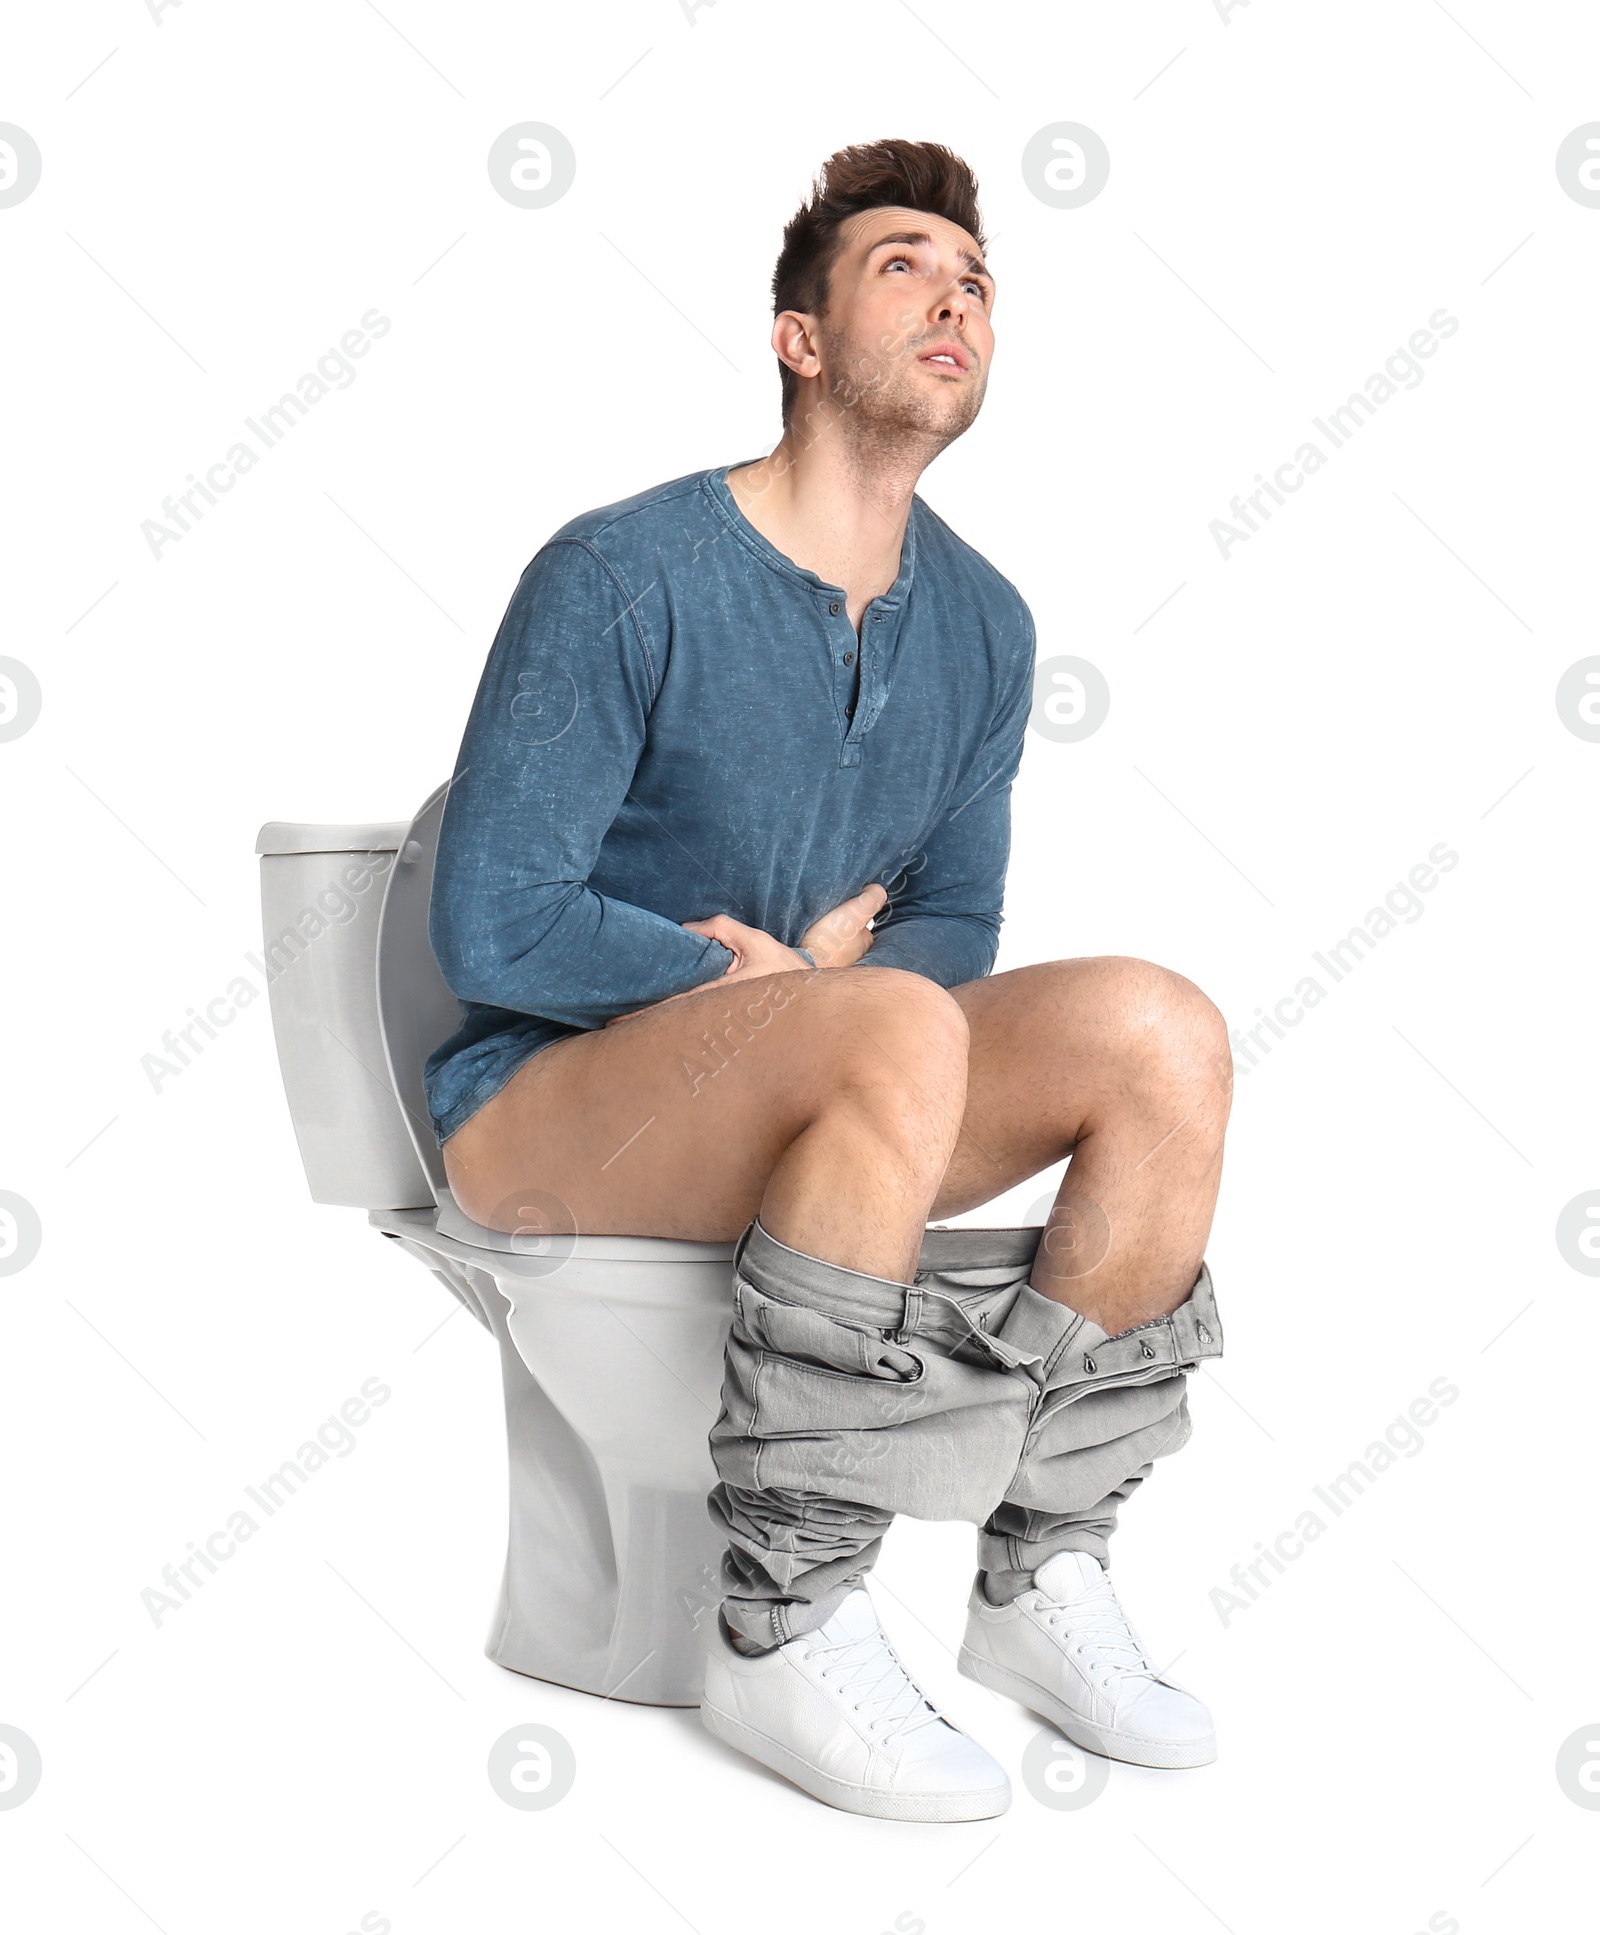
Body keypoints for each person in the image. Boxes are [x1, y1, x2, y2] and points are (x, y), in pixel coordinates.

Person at [423, 138, 1233, 1822]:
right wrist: (773, 984)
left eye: (979, 280)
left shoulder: (991, 630)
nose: (957, 294)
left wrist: (823, 1007)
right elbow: (494, 926)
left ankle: (1041, 1569)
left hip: (831, 1079)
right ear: (800, 338)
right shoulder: (622, 571)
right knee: (875, 1022)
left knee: (1163, 1032)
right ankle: (779, 1616)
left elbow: (952, 941)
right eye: (904, 265)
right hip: (547, 1111)